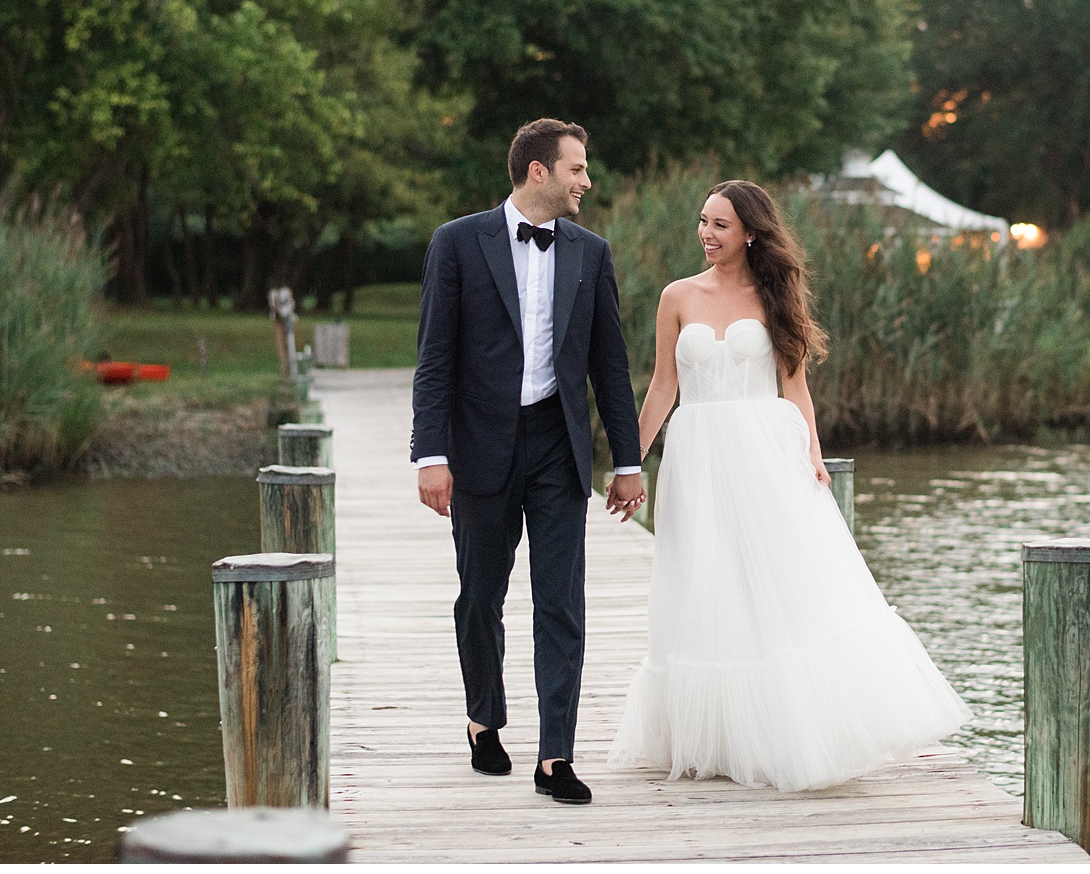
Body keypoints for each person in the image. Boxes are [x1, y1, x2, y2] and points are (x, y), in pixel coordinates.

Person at [606, 180, 972, 791]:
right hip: (695, 454)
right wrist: (628, 463)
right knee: (702, 580)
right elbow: (663, 387)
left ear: (750, 232)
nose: (706, 234)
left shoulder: (776, 296)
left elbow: (795, 387)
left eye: (720, 225)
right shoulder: (677, 296)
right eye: (703, 222)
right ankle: (712, 736)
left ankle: (786, 730)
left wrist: (814, 457)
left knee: (774, 581)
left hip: (763, 451)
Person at [411, 118, 646, 805]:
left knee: (561, 601)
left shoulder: (590, 252)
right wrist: (431, 453)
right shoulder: (457, 243)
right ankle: (484, 719)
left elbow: (611, 365)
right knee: (480, 595)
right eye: (577, 168)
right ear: (539, 172)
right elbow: (435, 360)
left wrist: (626, 461)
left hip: (556, 445)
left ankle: (556, 756)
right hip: (479, 444)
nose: (586, 180)